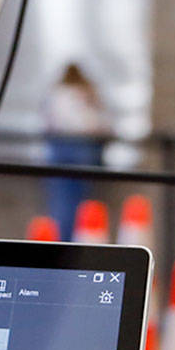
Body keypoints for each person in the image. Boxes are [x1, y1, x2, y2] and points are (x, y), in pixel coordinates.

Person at [41, 62, 110, 240]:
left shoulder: (56, 94)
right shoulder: (83, 94)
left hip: (60, 147)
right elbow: (92, 124)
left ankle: (64, 241)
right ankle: (73, 241)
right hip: (80, 147)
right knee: (79, 204)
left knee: (63, 202)